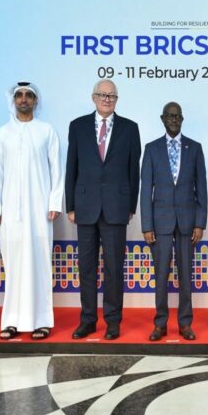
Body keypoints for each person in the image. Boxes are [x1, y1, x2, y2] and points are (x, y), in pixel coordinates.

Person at [66, 79, 141, 340]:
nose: (107, 99)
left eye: (112, 96)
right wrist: (70, 205)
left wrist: (130, 205)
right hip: (85, 207)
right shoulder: (77, 126)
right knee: (86, 267)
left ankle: (113, 321)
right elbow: (71, 167)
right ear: (93, 97)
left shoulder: (130, 128)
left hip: (116, 208)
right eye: (102, 95)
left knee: (113, 268)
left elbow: (134, 171)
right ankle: (87, 319)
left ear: (116, 100)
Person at [0, 82, 63, 340]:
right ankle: (11, 321)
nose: (23, 99)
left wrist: (54, 203)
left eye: (28, 95)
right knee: (13, 265)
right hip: (10, 213)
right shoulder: (4, 133)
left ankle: (41, 321)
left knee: (40, 264)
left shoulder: (47, 131)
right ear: (14, 100)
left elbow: (57, 170)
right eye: (19, 95)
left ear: (35, 101)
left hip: (40, 212)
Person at [140, 102, 208, 341]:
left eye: (177, 116)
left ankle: (185, 323)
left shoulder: (195, 148)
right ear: (162, 118)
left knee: (185, 276)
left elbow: (202, 189)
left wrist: (200, 223)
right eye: (170, 116)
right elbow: (145, 190)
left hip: (188, 224)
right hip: (160, 224)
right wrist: (147, 225)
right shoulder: (151, 149)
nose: (174, 120)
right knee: (161, 276)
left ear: (182, 119)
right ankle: (160, 324)